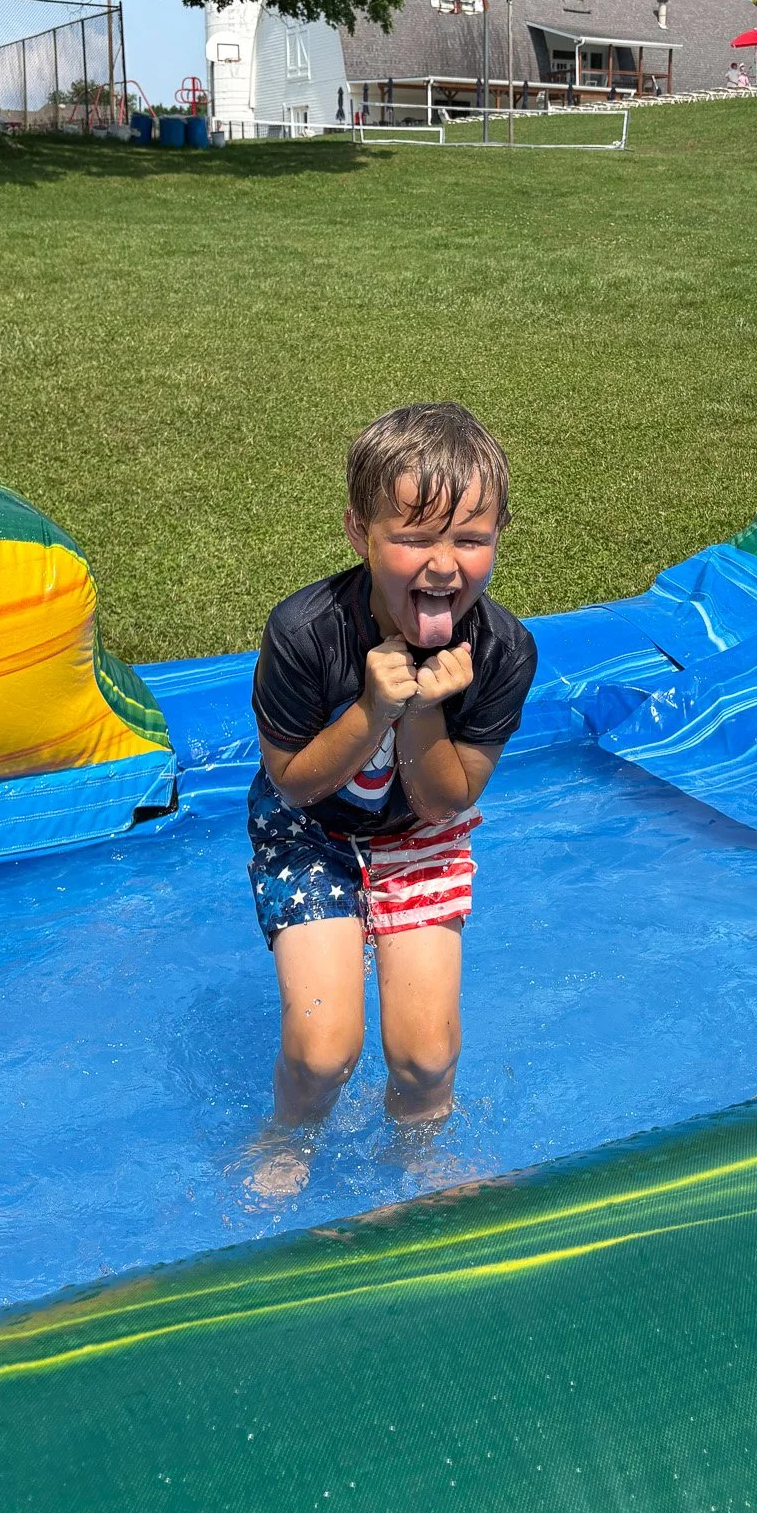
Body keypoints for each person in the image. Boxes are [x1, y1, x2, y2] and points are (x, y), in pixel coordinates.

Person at [246, 403, 537, 1192]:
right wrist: (374, 709)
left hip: (418, 833)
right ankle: (288, 1139)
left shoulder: (503, 651)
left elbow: (446, 803)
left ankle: (416, 1167)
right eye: (413, 537)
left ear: (499, 537)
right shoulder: (305, 633)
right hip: (310, 829)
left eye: (471, 541)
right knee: (323, 1049)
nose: (444, 565)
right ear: (359, 533)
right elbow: (293, 781)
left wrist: (426, 709)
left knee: (426, 1057)